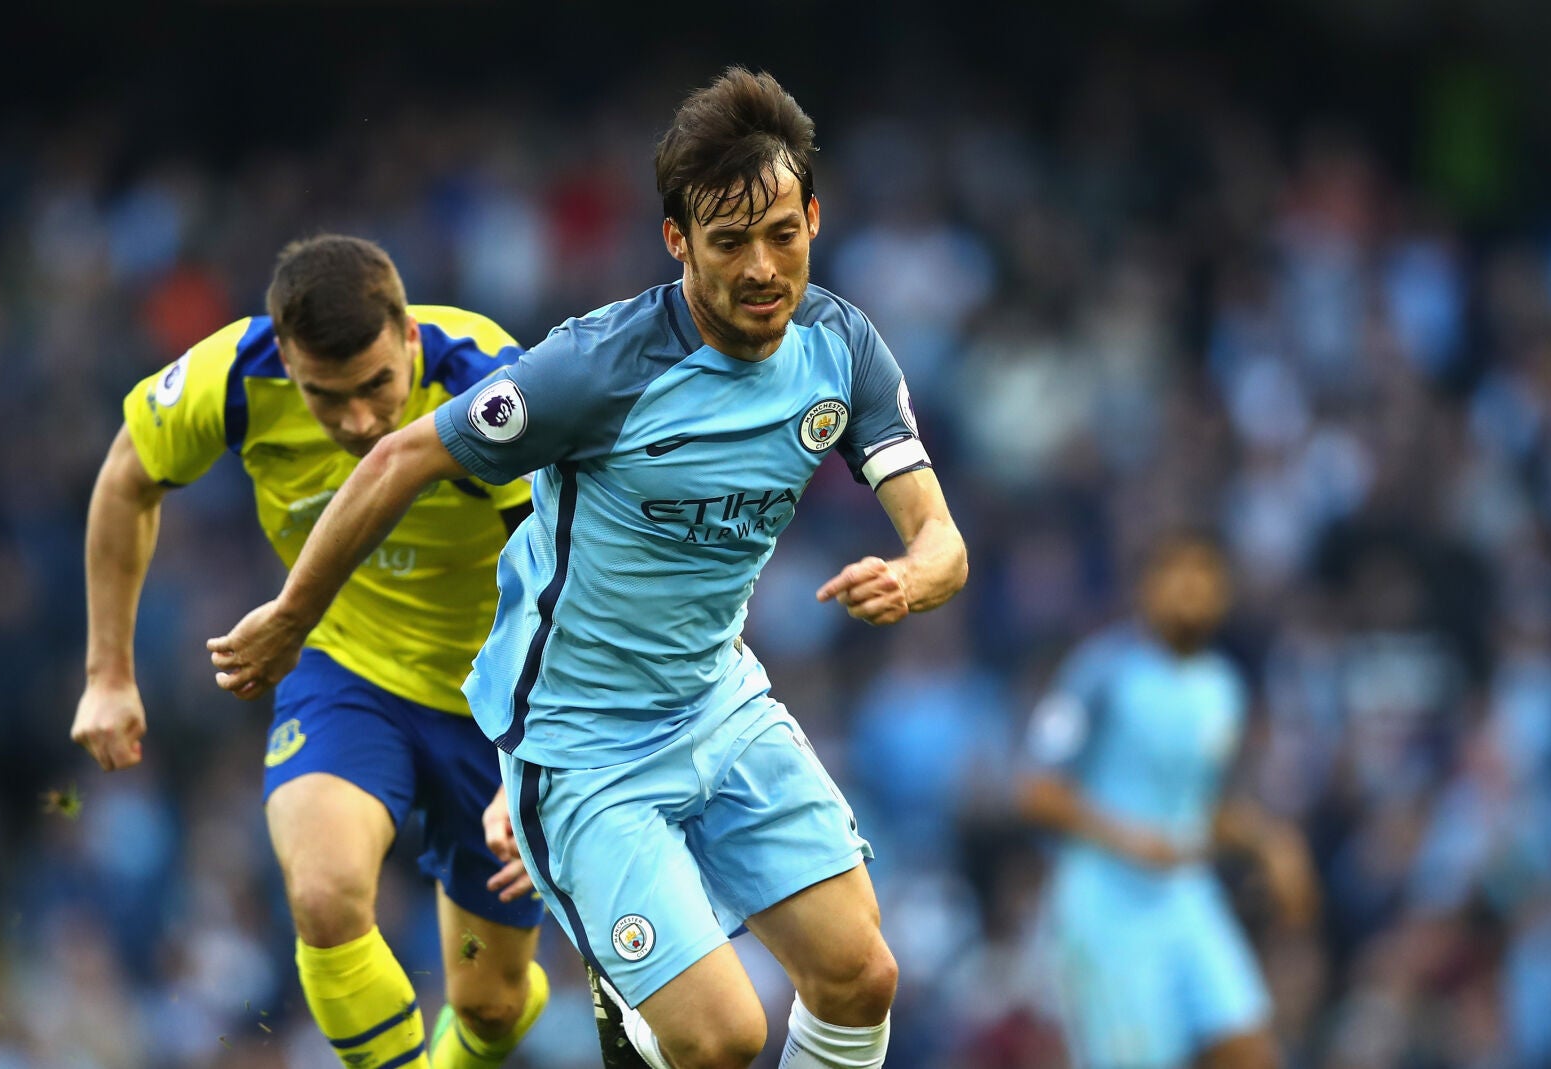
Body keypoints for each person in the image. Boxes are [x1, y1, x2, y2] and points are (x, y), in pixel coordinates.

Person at [207, 68, 969, 1069]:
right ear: (676, 240)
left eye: (781, 233)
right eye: (728, 241)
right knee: (722, 1037)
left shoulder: (842, 347)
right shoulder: (598, 367)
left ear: (813, 219)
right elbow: (401, 455)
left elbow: (942, 539)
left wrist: (915, 574)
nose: (761, 267)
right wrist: (292, 614)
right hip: (582, 745)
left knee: (861, 974)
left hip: (719, 702)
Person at [69, 234, 549, 1069]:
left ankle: (489, 1015)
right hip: (347, 674)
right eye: (329, 398)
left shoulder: (490, 383)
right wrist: (108, 673)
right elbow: (125, 478)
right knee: (324, 895)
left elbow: (569, 580)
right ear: (287, 360)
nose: (360, 420)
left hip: (501, 701)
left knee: (490, 1002)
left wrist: (545, 760)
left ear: (408, 338)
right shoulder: (231, 378)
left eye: (376, 387)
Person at [1017, 535, 1319, 1069]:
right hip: (1108, 907)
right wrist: (1131, 838)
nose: (1190, 589)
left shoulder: (1223, 686)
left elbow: (1202, 806)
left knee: (1250, 1051)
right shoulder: (1100, 671)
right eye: (1174, 574)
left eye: (1203, 576)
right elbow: (1038, 791)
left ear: (1224, 592)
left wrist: (1270, 841)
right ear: (1145, 590)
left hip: (1186, 896)